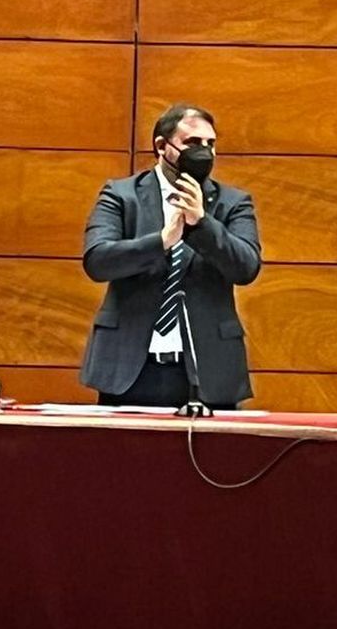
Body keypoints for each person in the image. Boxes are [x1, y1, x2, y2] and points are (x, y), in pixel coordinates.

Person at [79, 103, 261, 409]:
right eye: (192, 143)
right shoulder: (121, 195)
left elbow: (246, 267)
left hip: (207, 367)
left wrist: (202, 223)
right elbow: (98, 260)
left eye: (210, 144)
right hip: (130, 369)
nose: (204, 152)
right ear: (162, 146)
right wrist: (162, 241)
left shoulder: (233, 202)